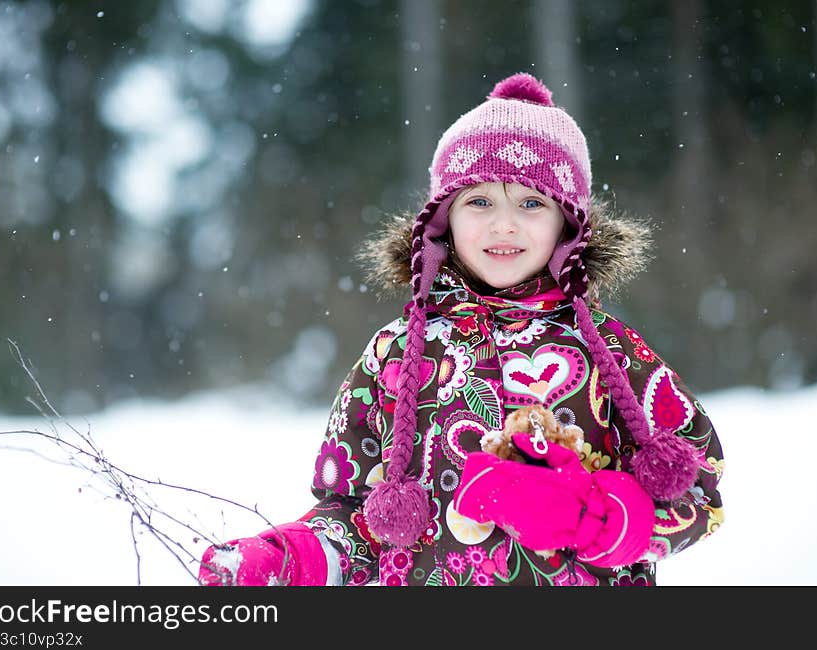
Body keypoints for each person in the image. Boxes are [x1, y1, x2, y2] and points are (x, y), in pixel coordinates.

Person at [198, 72, 725, 587]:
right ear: (442, 219)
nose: (503, 224)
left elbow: (698, 492)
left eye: (531, 203)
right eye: (479, 201)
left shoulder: (610, 352)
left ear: (568, 224)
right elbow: (353, 511)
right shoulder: (397, 353)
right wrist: (295, 560)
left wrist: (593, 515)